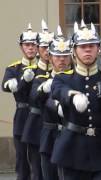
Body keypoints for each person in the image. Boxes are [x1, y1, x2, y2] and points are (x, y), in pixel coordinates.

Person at [51, 20, 101, 180]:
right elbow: (59, 91)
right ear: (74, 50)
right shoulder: (63, 78)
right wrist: (73, 95)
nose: (87, 50)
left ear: (98, 49)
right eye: (83, 47)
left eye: (92, 46)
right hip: (72, 151)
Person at [1, 23, 39, 180]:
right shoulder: (14, 68)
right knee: (22, 160)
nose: (30, 48)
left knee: (38, 160)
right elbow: (5, 85)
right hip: (22, 116)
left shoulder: (44, 68)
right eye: (27, 45)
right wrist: (11, 83)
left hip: (39, 116)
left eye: (33, 45)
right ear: (21, 47)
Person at [38, 26, 73, 180]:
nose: (61, 60)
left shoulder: (76, 80)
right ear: (50, 57)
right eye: (58, 56)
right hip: (50, 136)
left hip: (70, 135)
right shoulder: (41, 79)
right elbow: (36, 98)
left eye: (65, 56)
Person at [21, 20, 54, 180]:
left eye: (50, 47)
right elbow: (25, 95)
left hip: (56, 125)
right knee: (37, 171)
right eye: (44, 47)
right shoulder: (31, 72)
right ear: (38, 49)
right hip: (36, 124)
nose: (47, 51)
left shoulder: (65, 71)